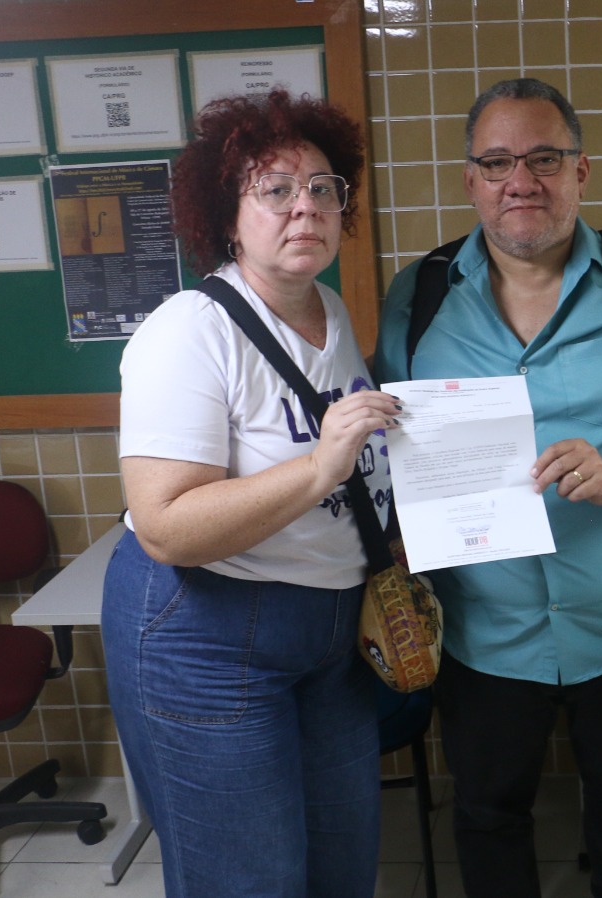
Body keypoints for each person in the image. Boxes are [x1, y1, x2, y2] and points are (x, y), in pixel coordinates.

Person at [372, 78, 602, 898]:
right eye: (497, 163)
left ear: (581, 171)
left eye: (543, 159)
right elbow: (393, 437)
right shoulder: (418, 295)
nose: (520, 181)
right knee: (488, 809)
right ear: (471, 180)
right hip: (482, 620)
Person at [102, 89, 399, 897]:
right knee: (247, 879)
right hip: (209, 633)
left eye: (324, 188)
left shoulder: (329, 310)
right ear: (227, 217)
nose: (306, 206)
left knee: (343, 865)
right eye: (276, 189)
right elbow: (166, 527)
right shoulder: (188, 331)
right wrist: (319, 468)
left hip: (330, 634)